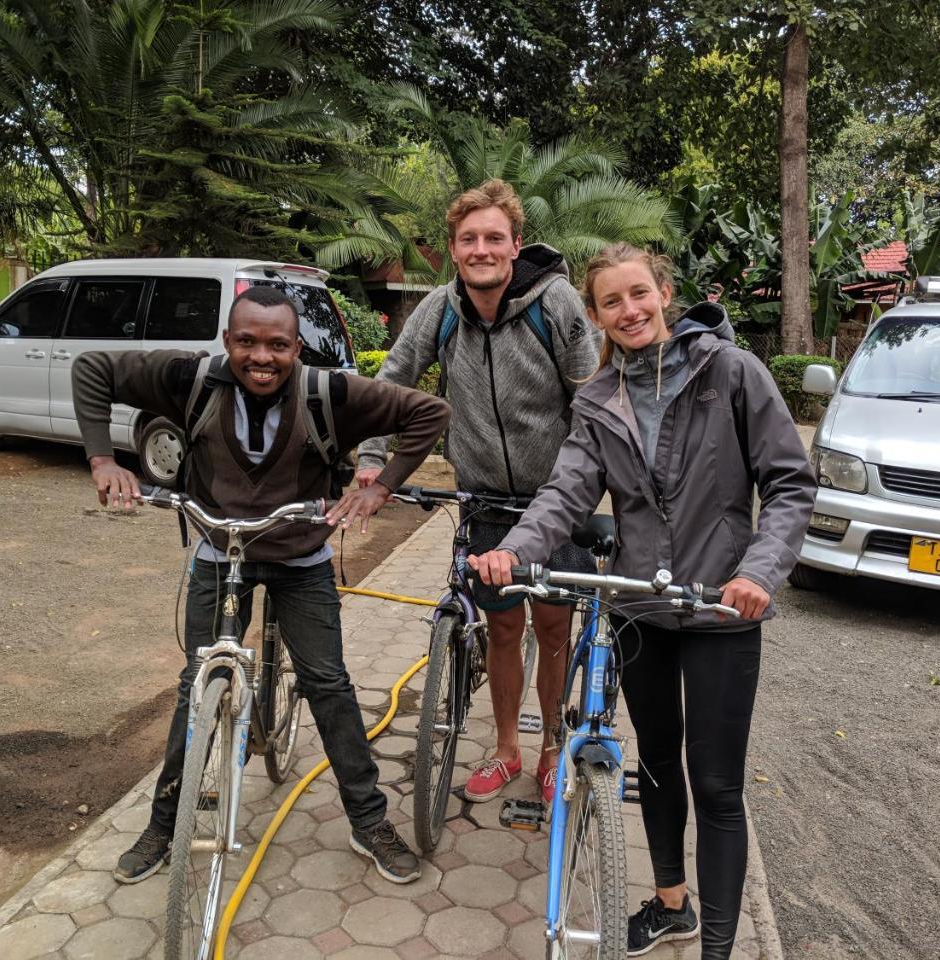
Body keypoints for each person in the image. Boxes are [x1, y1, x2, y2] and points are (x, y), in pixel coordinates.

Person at [468, 244, 815, 958]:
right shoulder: (596, 400)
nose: (629, 312)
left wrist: (758, 572)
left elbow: (788, 483)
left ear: (664, 293)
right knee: (654, 762)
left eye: (639, 295)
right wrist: (516, 551)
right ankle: (671, 906)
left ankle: (718, 947)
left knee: (716, 784)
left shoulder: (730, 373)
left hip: (722, 608)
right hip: (639, 609)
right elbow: (566, 492)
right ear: (594, 314)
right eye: (611, 302)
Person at [72, 285, 449, 885]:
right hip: (220, 548)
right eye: (246, 341)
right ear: (227, 342)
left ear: (297, 348)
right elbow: (92, 367)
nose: (261, 357)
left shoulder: (329, 392)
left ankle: (369, 821)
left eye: (278, 344)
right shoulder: (189, 379)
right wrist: (101, 459)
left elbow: (430, 412)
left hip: (299, 555)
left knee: (328, 684)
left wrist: (380, 487)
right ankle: (164, 823)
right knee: (197, 682)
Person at [357, 179, 601, 805]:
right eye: (469, 239)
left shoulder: (558, 304)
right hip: (485, 500)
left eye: (495, 237)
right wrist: (371, 459)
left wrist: (601, 487)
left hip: (556, 501)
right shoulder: (439, 310)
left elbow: (595, 403)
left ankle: (550, 747)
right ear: (453, 250)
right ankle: (504, 750)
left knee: (551, 630)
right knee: (499, 631)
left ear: (516, 245)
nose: (482, 249)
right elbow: (392, 383)